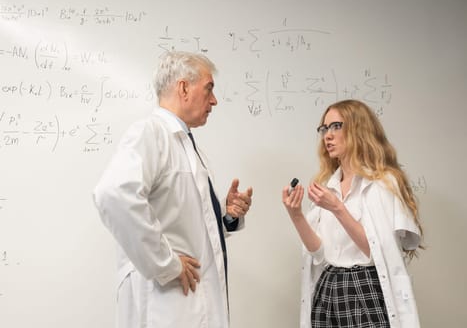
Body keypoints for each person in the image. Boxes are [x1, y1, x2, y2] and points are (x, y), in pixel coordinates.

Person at [93, 51, 253, 328]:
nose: (214, 100)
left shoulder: (188, 147)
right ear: (183, 88)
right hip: (163, 303)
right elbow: (113, 194)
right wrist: (165, 264)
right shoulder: (149, 133)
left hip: (188, 303)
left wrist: (225, 216)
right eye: (209, 88)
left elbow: (187, 224)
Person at [282, 99, 423, 328]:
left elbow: (374, 250)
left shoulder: (383, 183)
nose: (328, 135)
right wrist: (295, 214)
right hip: (328, 290)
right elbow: (319, 253)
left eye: (336, 126)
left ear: (358, 128)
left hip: (364, 288)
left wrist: (337, 208)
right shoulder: (328, 185)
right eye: (324, 128)